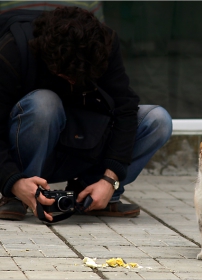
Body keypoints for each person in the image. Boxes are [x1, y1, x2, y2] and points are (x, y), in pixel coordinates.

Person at [0, 6, 172, 222]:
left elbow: (125, 110)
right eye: (66, 76)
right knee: (44, 103)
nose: (73, 82)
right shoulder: (14, 49)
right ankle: (18, 196)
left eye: (79, 78)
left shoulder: (102, 45)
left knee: (158, 120)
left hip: (82, 145)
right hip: (29, 148)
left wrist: (110, 180)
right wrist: (12, 180)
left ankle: (92, 193)